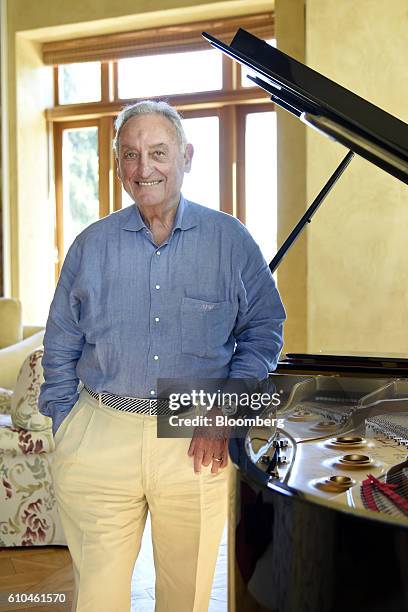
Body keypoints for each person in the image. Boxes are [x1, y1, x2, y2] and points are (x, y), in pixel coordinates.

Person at [39, 100, 286, 612]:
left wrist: (229, 404)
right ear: (117, 164)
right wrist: (66, 423)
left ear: (186, 156)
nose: (143, 168)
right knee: (98, 599)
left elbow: (265, 328)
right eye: (130, 155)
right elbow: (61, 340)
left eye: (157, 152)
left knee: (187, 597)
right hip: (100, 431)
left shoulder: (231, 241)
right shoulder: (90, 246)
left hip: (197, 432)